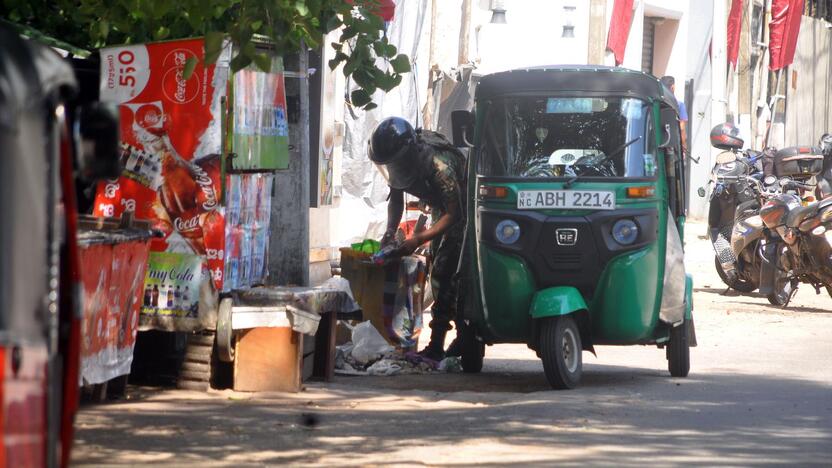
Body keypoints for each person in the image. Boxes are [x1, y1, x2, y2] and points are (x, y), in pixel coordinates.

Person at [369, 117, 467, 361]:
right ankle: (461, 339)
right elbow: (396, 195)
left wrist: (417, 239)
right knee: (437, 266)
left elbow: (454, 214)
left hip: (463, 210)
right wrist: (391, 232)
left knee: (446, 272)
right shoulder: (400, 161)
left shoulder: (439, 167)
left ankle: (440, 344)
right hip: (440, 209)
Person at [660, 76, 688, 155]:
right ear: (672, 87)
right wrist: (683, 148)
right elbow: (682, 128)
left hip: (658, 144)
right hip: (673, 146)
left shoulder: (657, 103)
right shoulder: (679, 105)